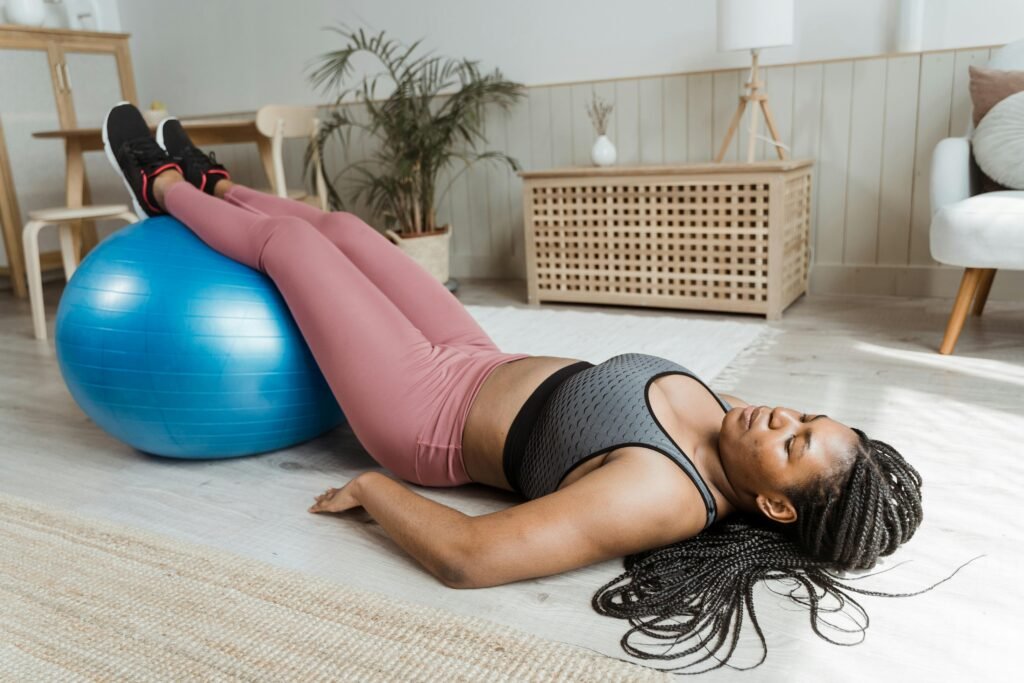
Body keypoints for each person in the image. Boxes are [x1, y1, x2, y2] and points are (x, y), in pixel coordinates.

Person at [103, 101, 926, 672]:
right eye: (808, 415)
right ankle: (214, 185)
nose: (783, 415)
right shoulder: (731, 428)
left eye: (795, 442)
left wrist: (373, 488)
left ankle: (160, 186)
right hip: (473, 356)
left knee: (295, 248)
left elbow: (471, 557)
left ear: (777, 505)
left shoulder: (661, 494)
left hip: (422, 410)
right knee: (348, 229)